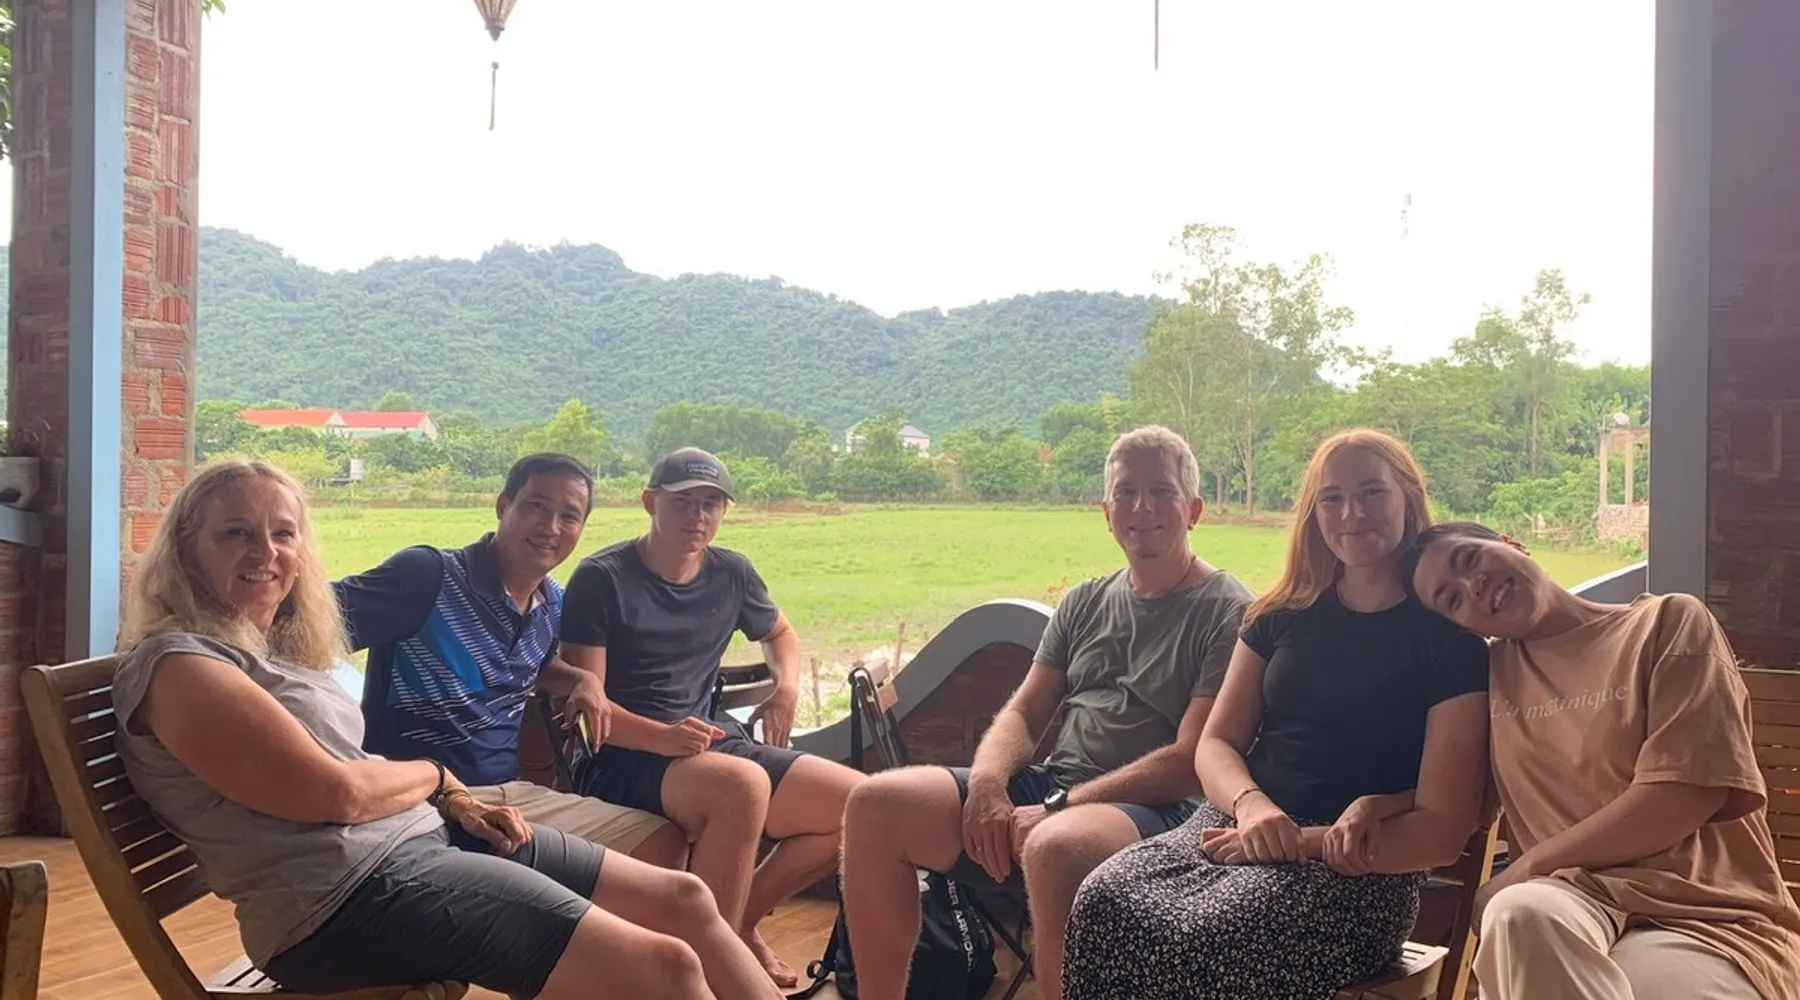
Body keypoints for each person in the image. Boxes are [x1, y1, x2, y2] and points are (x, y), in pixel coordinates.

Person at [112, 459, 780, 1000]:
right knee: (666, 967)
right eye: (236, 533)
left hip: (420, 840)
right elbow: (339, 793)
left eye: (284, 534)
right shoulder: (180, 665)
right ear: (186, 550)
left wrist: (453, 795)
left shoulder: (261, 651)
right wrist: (437, 776)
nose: (266, 552)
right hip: (341, 902)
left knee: (686, 898)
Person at [1059, 428, 1492, 1000]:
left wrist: (1298, 842)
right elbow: (1216, 744)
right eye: (1332, 499)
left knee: (1203, 940)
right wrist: (1252, 807)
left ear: (1408, 498)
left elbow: (1441, 833)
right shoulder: (1280, 614)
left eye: (1370, 492)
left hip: (1359, 866)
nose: (1351, 513)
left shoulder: (1450, 643)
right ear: (1313, 513)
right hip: (1237, 824)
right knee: (1103, 898)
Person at [839, 425, 1255, 1000]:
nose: (1142, 507)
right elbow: (1023, 714)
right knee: (875, 804)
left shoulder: (1227, 611)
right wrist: (988, 784)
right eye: (1126, 492)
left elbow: (1190, 762)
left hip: (1163, 814)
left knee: (1054, 847)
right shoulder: (1085, 601)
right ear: (1106, 512)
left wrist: (1060, 808)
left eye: (1161, 491)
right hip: (1057, 789)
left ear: (1195, 510)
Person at [1404, 521, 1800, 1000]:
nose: (1474, 585)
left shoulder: (1666, 624)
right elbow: (1449, 792)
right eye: (1452, 599)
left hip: (1703, 918)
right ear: (1464, 628)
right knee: (1519, 914)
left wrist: (1529, 865)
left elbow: (1683, 797)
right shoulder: (1489, 678)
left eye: (1469, 560)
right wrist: (1374, 807)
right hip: (1570, 905)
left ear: (1512, 544)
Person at [558, 447, 865, 987]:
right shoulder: (602, 578)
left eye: (710, 504)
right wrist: (663, 737)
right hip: (621, 755)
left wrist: (786, 687)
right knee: (741, 785)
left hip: (704, 744)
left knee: (861, 805)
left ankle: (735, 926)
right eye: (682, 503)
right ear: (650, 502)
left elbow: (781, 634)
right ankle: (716, 974)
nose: (697, 517)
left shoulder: (732, 572)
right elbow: (592, 712)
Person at [335, 453, 684, 866]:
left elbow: (534, 666)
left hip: (510, 793)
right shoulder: (429, 577)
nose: (551, 527)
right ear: (504, 506)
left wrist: (582, 681)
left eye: (569, 517)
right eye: (537, 506)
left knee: (662, 841)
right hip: (420, 799)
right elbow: (305, 622)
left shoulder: (552, 602)